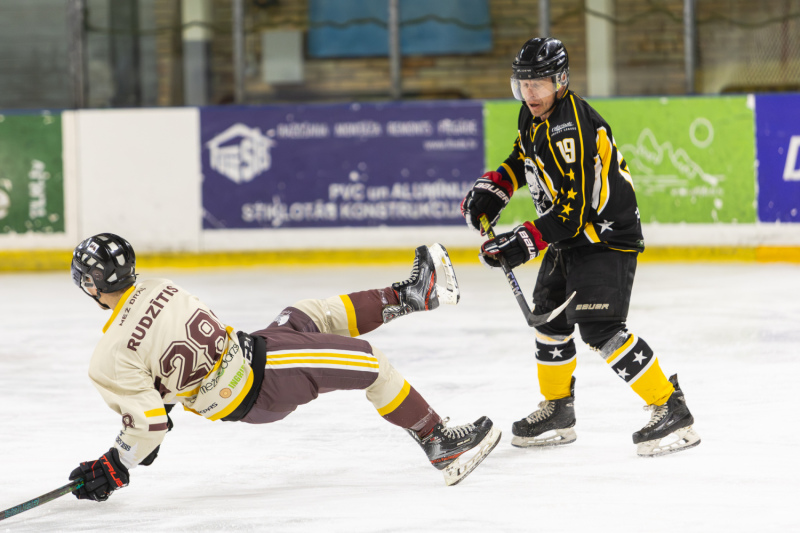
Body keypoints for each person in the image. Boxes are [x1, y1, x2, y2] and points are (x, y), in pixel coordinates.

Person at [67, 233, 501, 502]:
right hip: (258, 377)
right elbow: (161, 403)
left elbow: (150, 421)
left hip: (256, 368)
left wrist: (114, 463)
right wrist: (136, 444)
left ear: (88, 284)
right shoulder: (163, 288)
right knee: (368, 361)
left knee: (307, 313)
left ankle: (413, 294)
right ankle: (439, 441)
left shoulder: (109, 356)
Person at [460, 37, 700, 457]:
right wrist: (498, 185)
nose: (530, 93)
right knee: (548, 320)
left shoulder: (571, 128)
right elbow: (524, 157)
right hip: (570, 235)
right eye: (523, 84)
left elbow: (571, 212)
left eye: (539, 84)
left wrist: (522, 242)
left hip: (605, 236)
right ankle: (558, 409)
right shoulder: (532, 115)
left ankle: (671, 407)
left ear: (562, 80)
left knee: (600, 327)